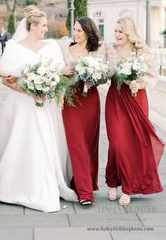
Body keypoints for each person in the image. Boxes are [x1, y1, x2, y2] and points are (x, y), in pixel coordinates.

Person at [0, 5, 77, 212]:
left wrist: (57, 77)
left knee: (45, 140)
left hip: (45, 104)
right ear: (32, 26)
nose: (46, 29)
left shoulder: (51, 46)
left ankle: (46, 183)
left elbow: (58, 75)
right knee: (21, 140)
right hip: (21, 104)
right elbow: (5, 79)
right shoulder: (13, 47)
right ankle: (14, 185)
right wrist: (29, 91)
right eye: (43, 26)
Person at [105, 17, 164, 206]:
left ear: (130, 33)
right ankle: (113, 181)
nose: (116, 34)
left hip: (136, 98)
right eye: (115, 31)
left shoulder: (143, 51)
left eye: (120, 31)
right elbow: (107, 74)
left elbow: (153, 76)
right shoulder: (111, 50)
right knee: (116, 142)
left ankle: (128, 187)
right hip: (116, 97)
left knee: (133, 143)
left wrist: (138, 83)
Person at [61, 17, 106, 206]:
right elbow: (57, 71)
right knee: (77, 145)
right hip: (71, 99)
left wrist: (95, 80)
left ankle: (80, 183)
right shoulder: (66, 49)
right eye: (74, 30)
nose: (75, 33)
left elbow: (105, 76)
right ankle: (86, 194)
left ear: (88, 31)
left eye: (79, 30)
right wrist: (63, 71)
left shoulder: (98, 50)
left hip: (91, 100)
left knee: (88, 145)